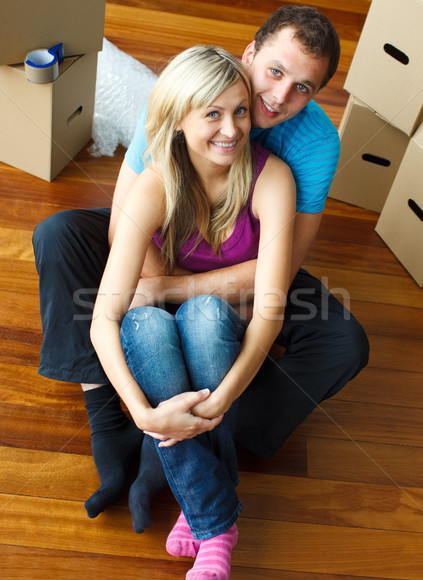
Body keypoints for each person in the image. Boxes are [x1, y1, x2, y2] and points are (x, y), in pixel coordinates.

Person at [32, 5, 369, 523]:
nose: (280, 97)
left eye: (304, 87)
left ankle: (207, 427)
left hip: (246, 262)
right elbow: (125, 222)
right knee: (58, 236)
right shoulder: (190, 90)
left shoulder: (314, 146)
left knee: (344, 341)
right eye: (275, 72)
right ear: (250, 54)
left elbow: (274, 271)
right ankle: (108, 421)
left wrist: (171, 291)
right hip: (165, 238)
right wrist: (152, 279)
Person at [90, 44, 295, 580]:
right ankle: (213, 513)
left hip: (224, 333)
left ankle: (199, 508)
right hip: (158, 323)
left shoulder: (271, 180)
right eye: (212, 113)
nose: (232, 129)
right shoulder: (154, 184)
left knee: (204, 313)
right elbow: (103, 319)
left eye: (240, 111)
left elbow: (271, 314)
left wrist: (223, 398)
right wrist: (141, 413)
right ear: (179, 118)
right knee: (145, 323)